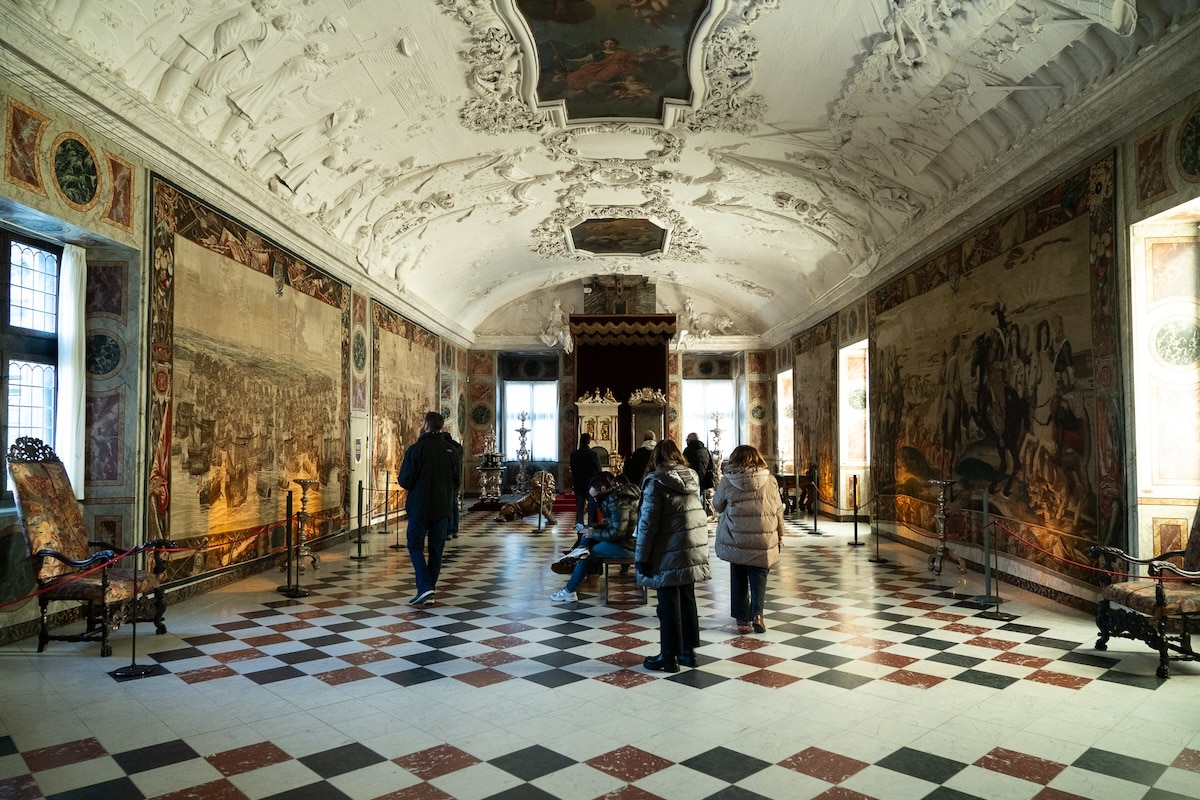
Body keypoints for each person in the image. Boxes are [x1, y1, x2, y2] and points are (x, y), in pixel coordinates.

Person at [635, 439, 710, 672]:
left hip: (667, 548)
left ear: (655, 458)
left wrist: (641, 557)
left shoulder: (655, 482)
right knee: (687, 600)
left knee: (668, 605)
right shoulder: (692, 477)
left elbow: (648, 524)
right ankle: (688, 653)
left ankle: (668, 657)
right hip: (691, 546)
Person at [712, 445, 785, 634]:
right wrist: (781, 532)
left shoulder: (728, 481)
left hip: (736, 535)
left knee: (738, 574)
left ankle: (741, 618)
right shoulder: (770, 480)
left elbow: (718, 506)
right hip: (764, 535)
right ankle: (758, 615)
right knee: (759, 575)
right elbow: (778, 509)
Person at [397, 411, 461, 606]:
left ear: (426, 425)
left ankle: (425, 588)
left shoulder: (416, 450)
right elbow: (457, 481)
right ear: (440, 427)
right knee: (436, 550)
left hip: (420, 507)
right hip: (442, 508)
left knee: (415, 546)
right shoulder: (451, 451)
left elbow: (404, 480)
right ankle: (428, 590)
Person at [550, 472, 638, 603]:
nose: (595, 501)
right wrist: (595, 528)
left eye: (595, 497)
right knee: (587, 539)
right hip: (626, 542)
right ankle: (577, 555)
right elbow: (613, 522)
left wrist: (594, 533)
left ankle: (569, 589)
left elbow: (618, 533)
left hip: (628, 546)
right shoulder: (617, 498)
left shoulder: (618, 502)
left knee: (586, 554)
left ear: (603, 489)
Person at [569, 432, 603, 530]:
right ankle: (591, 525)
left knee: (579, 507)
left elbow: (573, 469)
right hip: (591, 485)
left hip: (578, 484)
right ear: (589, 442)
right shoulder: (594, 454)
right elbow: (599, 470)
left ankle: (579, 525)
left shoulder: (574, 455)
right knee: (591, 507)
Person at [683, 432, 716, 514]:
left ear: (690, 440)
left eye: (687, 439)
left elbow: (683, 466)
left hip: (691, 481)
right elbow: (711, 466)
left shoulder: (688, 451)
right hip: (703, 482)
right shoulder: (705, 451)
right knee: (702, 502)